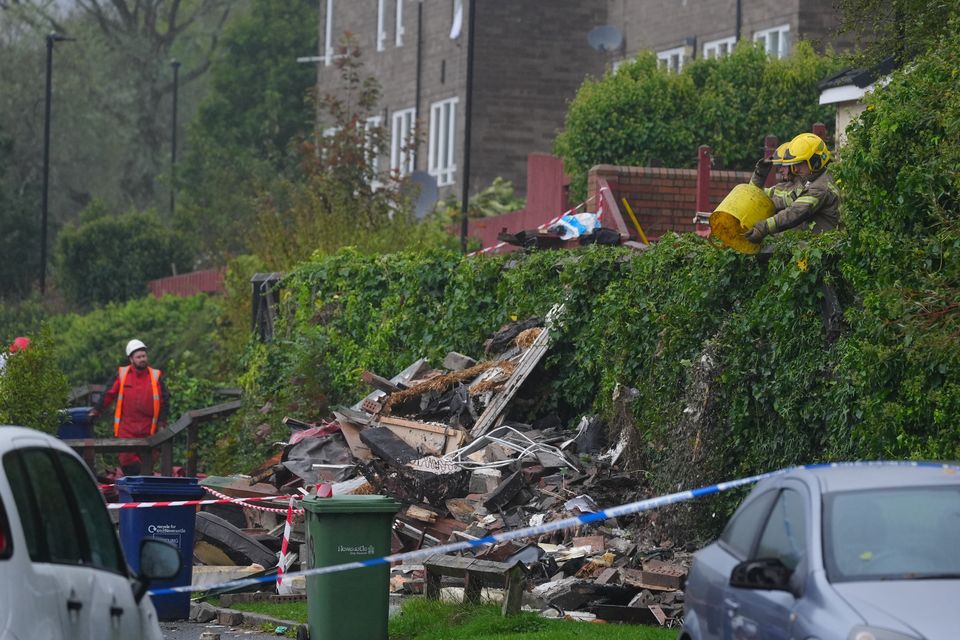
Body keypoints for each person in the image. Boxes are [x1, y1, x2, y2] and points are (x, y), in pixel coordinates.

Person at [90, 339, 169, 476]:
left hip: (149, 431)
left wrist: (162, 423)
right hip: (127, 431)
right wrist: (96, 411)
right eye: (138, 357)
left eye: (144, 356)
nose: (142, 359)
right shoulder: (122, 374)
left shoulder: (155, 376)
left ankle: (145, 490)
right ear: (131, 359)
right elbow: (108, 394)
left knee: (148, 464)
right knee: (128, 462)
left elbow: (164, 401)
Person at [745, 133, 841, 243]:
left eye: (799, 164)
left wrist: (763, 227)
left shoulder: (820, 187)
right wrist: (759, 175)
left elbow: (795, 213)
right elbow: (758, 195)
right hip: (814, 247)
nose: (795, 169)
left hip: (822, 251)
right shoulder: (812, 180)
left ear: (815, 161)